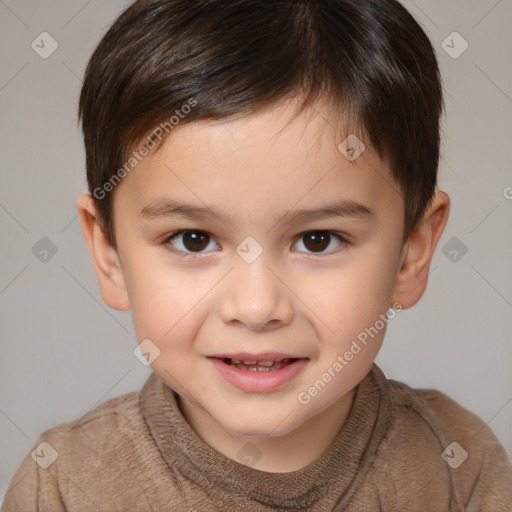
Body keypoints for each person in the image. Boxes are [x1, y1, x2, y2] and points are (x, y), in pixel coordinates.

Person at [2, 0, 511, 510]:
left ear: (410, 255)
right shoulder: (66, 485)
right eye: (193, 239)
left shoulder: (457, 468)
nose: (256, 306)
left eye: (318, 240)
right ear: (109, 252)